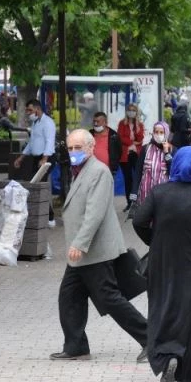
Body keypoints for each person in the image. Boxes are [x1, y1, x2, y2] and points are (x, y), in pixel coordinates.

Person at [51, 129, 148, 362]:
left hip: (95, 251)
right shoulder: (81, 170)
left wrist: (80, 243)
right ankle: (76, 346)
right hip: (81, 253)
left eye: (78, 148)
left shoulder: (99, 172)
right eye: (70, 148)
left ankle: (151, 338)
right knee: (69, 297)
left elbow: (94, 214)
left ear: (91, 147)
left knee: (110, 299)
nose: (73, 152)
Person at [133, 146, 191, 382]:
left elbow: (139, 220)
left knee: (162, 305)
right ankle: (186, 370)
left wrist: (154, 239)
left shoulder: (159, 192)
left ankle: (166, 354)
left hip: (163, 259)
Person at [13, 100, 57, 227]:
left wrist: (45, 159)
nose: (28, 113)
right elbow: (31, 144)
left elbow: (49, 142)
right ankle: (42, 215)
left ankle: (49, 217)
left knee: (36, 185)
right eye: (27, 110)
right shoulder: (35, 123)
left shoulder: (48, 123)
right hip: (36, 158)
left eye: (30, 110)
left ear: (37, 109)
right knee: (34, 186)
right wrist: (20, 158)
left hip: (47, 158)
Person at [130, 121, 174, 205]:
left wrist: (166, 153)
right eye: (156, 132)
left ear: (166, 133)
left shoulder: (172, 149)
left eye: (161, 132)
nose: (158, 135)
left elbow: (172, 171)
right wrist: (134, 192)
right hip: (145, 194)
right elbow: (138, 172)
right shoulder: (146, 149)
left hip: (164, 195)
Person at [118, 104, 145, 212]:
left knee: (138, 178)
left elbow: (141, 139)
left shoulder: (140, 124)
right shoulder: (122, 123)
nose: (131, 112)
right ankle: (129, 202)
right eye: (129, 110)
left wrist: (137, 128)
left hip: (136, 154)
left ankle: (138, 201)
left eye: (133, 110)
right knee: (127, 179)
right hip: (125, 155)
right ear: (126, 111)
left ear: (136, 112)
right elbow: (121, 137)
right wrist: (132, 143)